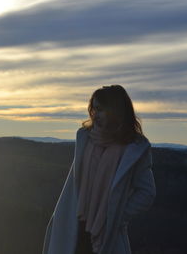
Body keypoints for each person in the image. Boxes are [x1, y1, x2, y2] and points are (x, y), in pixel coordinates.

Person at [42, 85, 156, 254]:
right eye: (94, 109)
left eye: (101, 109)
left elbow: (147, 193)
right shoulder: (85, 139)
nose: (95, 115)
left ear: (116, 111)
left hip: (106, 232)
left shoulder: (133, 149)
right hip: (74, 225)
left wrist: (116, 215)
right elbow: (74, 184)